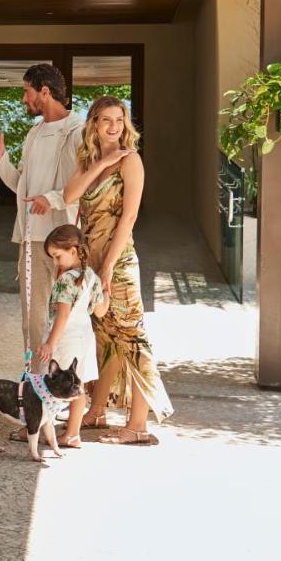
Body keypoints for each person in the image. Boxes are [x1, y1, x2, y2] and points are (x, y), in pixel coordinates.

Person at [62, 95, 174, 445]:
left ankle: (138, 425)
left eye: (119, 120)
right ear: (94, 123)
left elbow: (129, 217)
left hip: (119, 260)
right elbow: (69, 197)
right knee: (102, 335)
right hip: (90, 260)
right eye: (106, 120)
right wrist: (100, 163)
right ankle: (96, 412)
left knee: (131, 336)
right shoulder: (89, 160)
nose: (114, 126)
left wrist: (108, 267)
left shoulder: (132, 161)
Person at [0, 63, 85, 373]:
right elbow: (23, 187)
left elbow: (84, 184)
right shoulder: (34, 132)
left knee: (68, 316)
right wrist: (0, 161)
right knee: (32, 321)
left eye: (26, 91)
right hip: (31, 238)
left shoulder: (78, 130)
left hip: (66, 242)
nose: (23, 99)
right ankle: (35, 389)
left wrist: (53, 199)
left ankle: (70, 387)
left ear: (44, 91)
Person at [35, 224, 108, 448]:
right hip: (84, 336)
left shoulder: (66, 280)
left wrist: (49, 343)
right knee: (78, 385)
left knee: (51, 385)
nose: (55, 263)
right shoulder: (92, 277)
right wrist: (107, 291)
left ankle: (35, 427)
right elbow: (100, 311)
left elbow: (63, 316)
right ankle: (73, 434)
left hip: (65, 339)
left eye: (57, 256)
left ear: (73, 251)